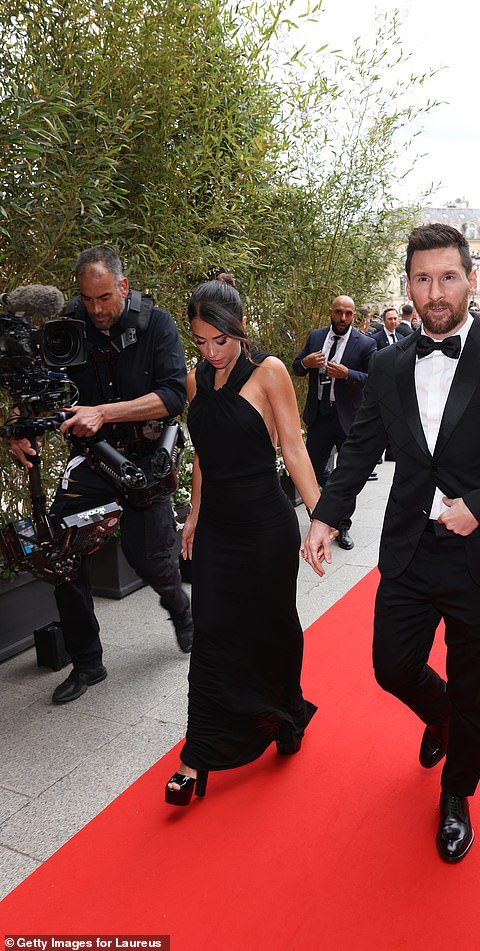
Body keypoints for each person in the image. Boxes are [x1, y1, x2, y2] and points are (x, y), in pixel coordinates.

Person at [302, 224, 480, 863]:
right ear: (409, 284)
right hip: (409, 550)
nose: (436, 291)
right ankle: (439, 715)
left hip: (479, 553)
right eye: (423, 278)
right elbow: (361, 448)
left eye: (448, 277)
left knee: (475, 684)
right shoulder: (388, 362)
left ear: (470, 279)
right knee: (390, 665)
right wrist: (324, 517)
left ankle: (456, 794)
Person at [8, 247, 193, 704]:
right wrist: (18, 425)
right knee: (62, 559)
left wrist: (103, 413)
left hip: (144, 462)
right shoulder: (66, 326)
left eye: (105, 298)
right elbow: (38, 386)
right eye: (89, 300)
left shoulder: (158, 325)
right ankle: (88, 663)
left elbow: (173, 396)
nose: (97, 310)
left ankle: (181, 611)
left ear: (123, 287)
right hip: (90, 463)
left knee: (152, 561)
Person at [165, 277, 321, 806]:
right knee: (211, 634)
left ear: (240, 329)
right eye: (201, 342)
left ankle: (286, 714)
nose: (210, 352)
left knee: (271, 628)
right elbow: (203, 455)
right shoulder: (194, 382)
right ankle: (199, 754)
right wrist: (192, 516)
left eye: (220, 341)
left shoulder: (270, 372)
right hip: (218, 533)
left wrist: (323, 519)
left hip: (265, 531)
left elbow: (295, 451)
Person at [292, 295, 377, 551]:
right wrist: (305, 363)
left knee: (348, 474)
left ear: (354, 316)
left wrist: (348, 374)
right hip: (319, 415)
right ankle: (331, 501)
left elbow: (375, 377)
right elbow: (297, 367)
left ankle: (343, 525)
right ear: (331, 312)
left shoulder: (365, 343)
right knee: (311, 469)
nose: (342, 318)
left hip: (348, 417)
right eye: (338, 312)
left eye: (348, 313)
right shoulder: (316, 336)